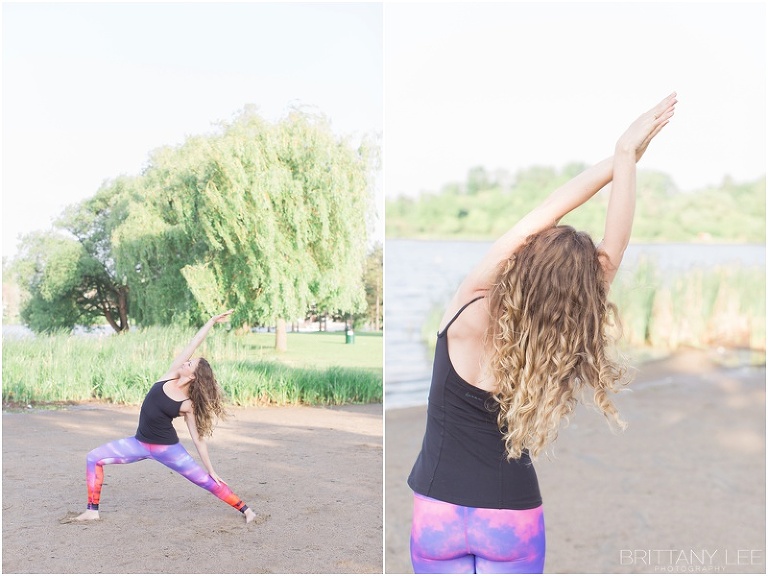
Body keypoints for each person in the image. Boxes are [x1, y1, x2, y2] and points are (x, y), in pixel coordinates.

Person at [407, 93, 678, 573]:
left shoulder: (467, 305)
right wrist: (626, 161)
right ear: (579, 298)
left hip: (436, 514)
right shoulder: (558, 341)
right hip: (510, 517)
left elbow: (546, 211)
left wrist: (619, 156)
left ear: (525, 263)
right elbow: (613, 248)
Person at [73, 310, 257, 524]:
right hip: (138, 443)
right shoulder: (169, 375)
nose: (185, 362)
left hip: (168, 450)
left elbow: (198, 439)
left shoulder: (187, 405)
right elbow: (194, 342)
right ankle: (92, 511)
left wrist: (211, 469)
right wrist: (211, 321)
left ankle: (246, 510)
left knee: (205, 481)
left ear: (193, 376)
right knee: (93, 458)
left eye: (190, 364)